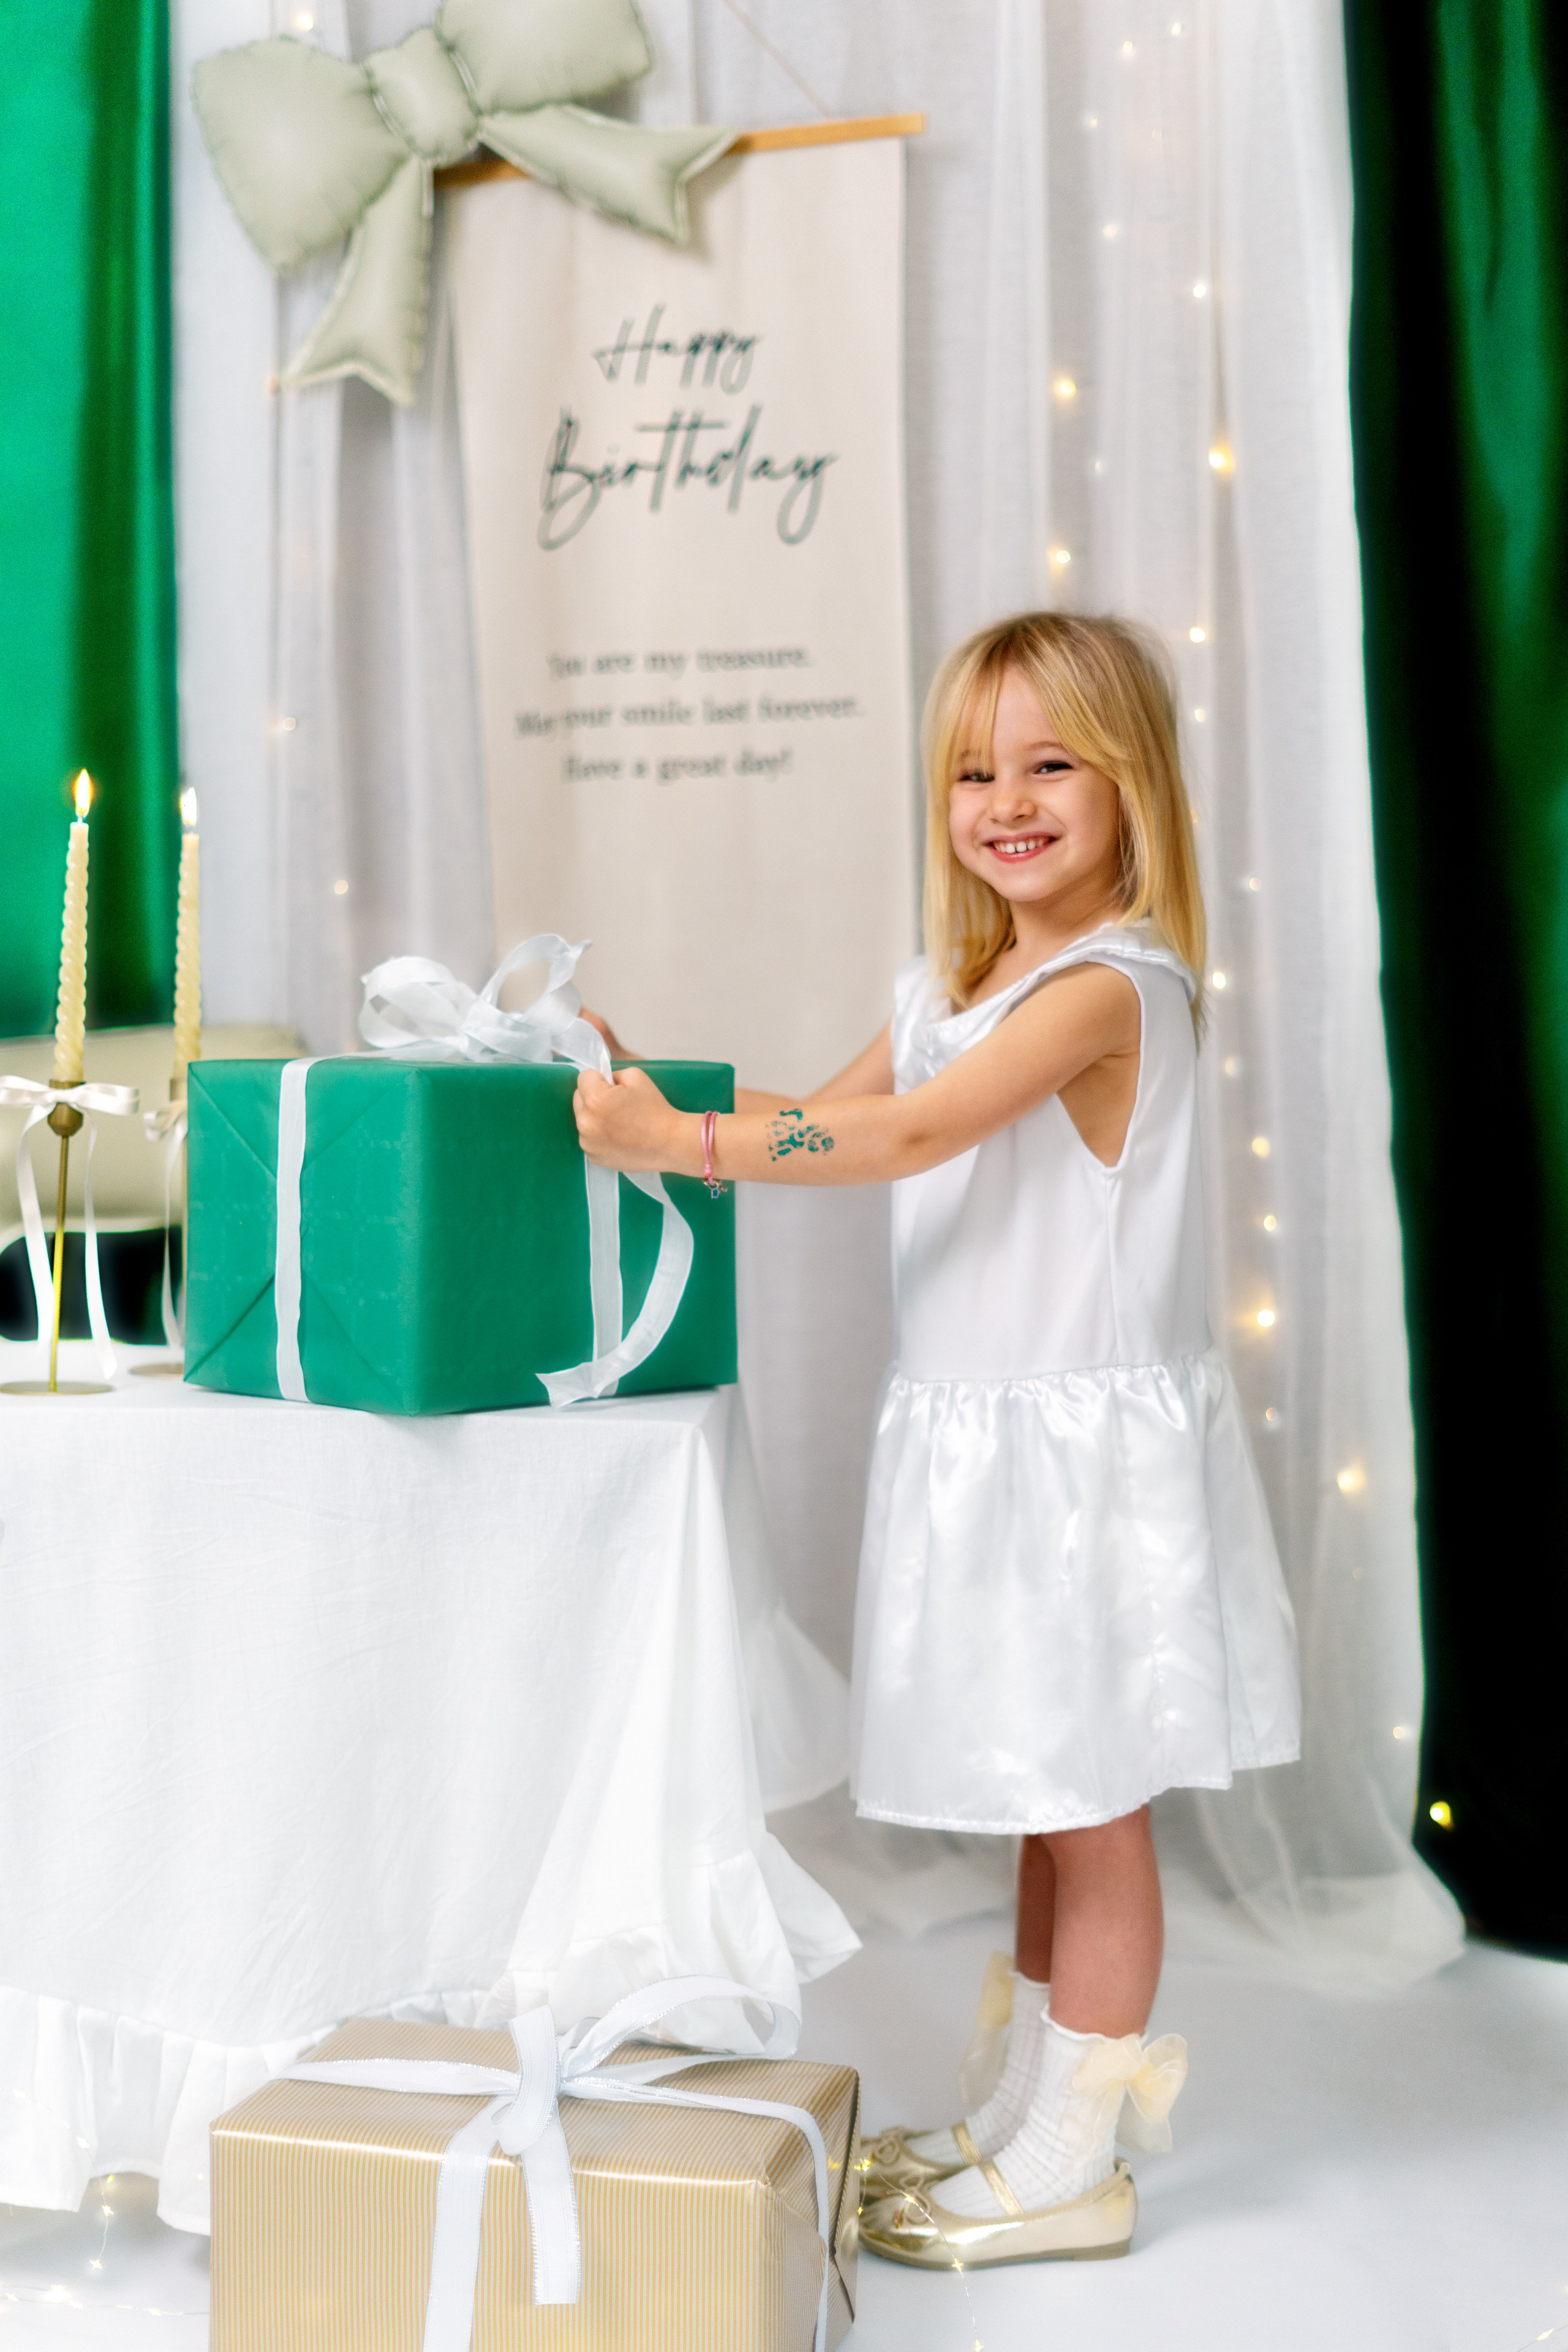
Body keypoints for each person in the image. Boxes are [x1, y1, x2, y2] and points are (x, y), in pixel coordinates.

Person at [573, 609, 1301, 2265]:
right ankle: (1023, 2110)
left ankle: (1075, 2157)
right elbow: (814, 1110)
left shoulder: (1112, 989)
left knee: (1095, 1800)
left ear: (1132, 789)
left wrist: (671, 1139)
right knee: (1047, 1795)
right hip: (985, 1453)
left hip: (1078, 1465)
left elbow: (900, 1138)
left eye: (1052, 764)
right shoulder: (953, 987)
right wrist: (659, 1104)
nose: (1007, 797)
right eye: (976, 770)